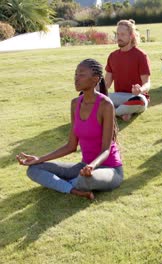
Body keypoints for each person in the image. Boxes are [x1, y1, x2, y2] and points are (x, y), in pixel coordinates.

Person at [17, 59, 123, 200]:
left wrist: (91, 166)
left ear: (95, 79)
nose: (76, 78)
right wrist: (39, 159)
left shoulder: (105, 105)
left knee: (84, 179)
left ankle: (67, 184)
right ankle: (73, 190)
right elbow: (71, 146)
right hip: (83, 166)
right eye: (75, 74)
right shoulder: (75, 104)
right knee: (34, 169)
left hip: (109, 169)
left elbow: (106, 149)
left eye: (82, 75)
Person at [105, 19, 151, 122]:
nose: (119, 37)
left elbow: (147, 83)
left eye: (122, 34)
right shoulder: (112, 56)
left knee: (139, 101)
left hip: (136, 97)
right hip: (119, 97)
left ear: (131, 36)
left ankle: (112, 112)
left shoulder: (141, 56)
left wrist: (140, 90)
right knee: (97, 98)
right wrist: (94, 90)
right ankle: (123, 112)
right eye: (118, 34)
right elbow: (106, 84)